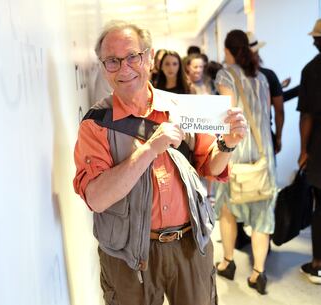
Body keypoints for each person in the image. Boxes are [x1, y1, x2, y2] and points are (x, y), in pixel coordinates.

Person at [73, 20, 247, 305]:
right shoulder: (96, 124)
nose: (125, 68)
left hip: (190, 245)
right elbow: (97, 198)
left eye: (133, 56)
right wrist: (150, 149)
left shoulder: (180, 107)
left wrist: (228, 143)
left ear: (149, 57)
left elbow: (210, 167)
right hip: (129, 254)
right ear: (104, 68)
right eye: (113, 61)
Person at [214, 30, 276, 295]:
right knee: (262, 214)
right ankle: (258, 273)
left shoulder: (225, 75)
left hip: (237, 153)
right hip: (263, 156)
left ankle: (228, 263)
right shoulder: (262, 77)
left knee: (228, 209)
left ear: (228, 50)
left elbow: (229, 114)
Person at [297, 18, 321, 285]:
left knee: (320, 206)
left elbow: (307, 116)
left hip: (319, 148)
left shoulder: (312, 70)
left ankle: (318, 264)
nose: (313, 40)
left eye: (316, 37)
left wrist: (303, 150)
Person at [246, 32, 284, 154]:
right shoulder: (269, 75)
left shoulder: (231, 79)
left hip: (240, 138)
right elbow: (280, 111)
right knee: (268, 172)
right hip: (265, 135)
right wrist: (278, 138)